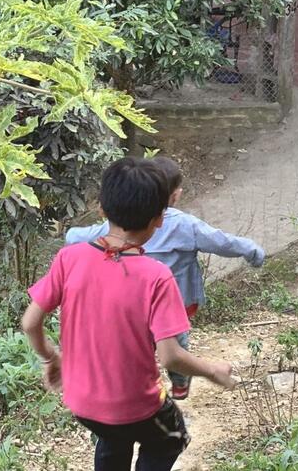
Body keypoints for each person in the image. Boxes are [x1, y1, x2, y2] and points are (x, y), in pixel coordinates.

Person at [22, 157, 235, 471]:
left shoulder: (70, 258)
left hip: (82, 403)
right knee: (171, 437)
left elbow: (30, 322)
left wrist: (51, 358)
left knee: (112, 435)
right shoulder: (157, 276)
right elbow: (172, 357)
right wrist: (212, 370)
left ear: (102, 211)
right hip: (135, 405)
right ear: (159, 219)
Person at [65, 156, 265, 399]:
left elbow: (80, 236)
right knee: (176, 343)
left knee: (141, 342)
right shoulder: (185, 225)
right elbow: (221, 241)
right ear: (174, 195)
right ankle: (179, 382)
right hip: (177, 303)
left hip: (134, 303)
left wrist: (71, 235)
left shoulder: (119, 227)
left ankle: (141, 383)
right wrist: (251, 250)